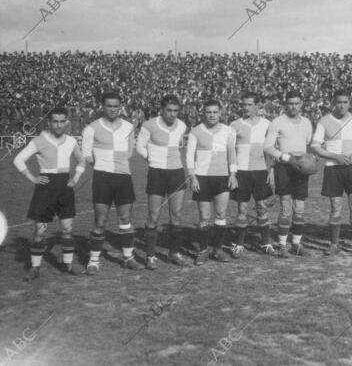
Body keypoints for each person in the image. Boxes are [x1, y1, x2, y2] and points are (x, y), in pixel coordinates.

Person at [14, 107, 86, 281]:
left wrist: (76, 178)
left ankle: (67, 265)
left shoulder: (71, 141)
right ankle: (35, 267)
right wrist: (32, 177)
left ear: (66, 122)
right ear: (49, 122)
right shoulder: (39, 140)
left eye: (62, 121)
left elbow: (82, 160)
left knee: (67, 229)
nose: (59, 125)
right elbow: (18, 159)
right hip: (45, 186)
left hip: (65, 186)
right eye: (55, 121)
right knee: (40, 230)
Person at [82, 92, 140, 273]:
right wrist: (102, 165)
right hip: (102, 178)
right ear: (102, 106)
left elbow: (130, 151)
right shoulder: (91, 128)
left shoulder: (129, 127)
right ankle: (94, 260)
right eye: (109, 106)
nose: (113, 109)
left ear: (120, 106)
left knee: (125, 219)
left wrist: (118, 164)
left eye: (116, 106)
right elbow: (86, 155)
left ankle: (128, 257)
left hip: (123, 177)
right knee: (100, 220)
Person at [135, 95, 191, 269]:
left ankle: (174, 253)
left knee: (177, 215)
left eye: (175, 110)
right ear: (161, 109)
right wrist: (150, 159)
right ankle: (150, 256)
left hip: (176, 173)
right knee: (153, 215)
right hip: (157, 173)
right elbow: (139, 147)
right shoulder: (149, 125)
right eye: (169, 110)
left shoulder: (182, 125)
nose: (172, 114)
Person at [311, 90, 352, 256]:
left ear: (350, 103)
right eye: (339, 102)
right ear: (333, 103)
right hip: (332, 168)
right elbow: (315, 146)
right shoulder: (324, 121)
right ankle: (334, 244)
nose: (342, 105)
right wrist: (336, 156)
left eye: (345, 102)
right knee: (336, 206)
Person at [186, 99, 238, 264]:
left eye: (215, 112)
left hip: (223, 176)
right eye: (209, 112)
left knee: (221, 214)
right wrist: (192, 176)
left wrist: (233, 174)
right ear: (204, 113)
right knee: (204, 216)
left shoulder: (229, 131)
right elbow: (189, 155)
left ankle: (217, 249)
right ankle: (202, 251)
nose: (212, 115)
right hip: (202, 178)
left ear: (220, 113)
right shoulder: (195, 131)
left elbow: (232, 154)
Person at [264, 91, 313, 257]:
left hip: (300, 169)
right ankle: (282, 245)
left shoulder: (306, 122)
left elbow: (307, 145)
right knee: (286, 208)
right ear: (286, 104)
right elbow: (268, 147)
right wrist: (286, 157)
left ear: (301, 104)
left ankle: (296, 245)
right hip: (284, 167)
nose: (294, 106)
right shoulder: (277, 122)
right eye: (290, 103)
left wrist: (311, 159)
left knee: (299, 208)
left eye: (297, 103)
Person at [229, 93, 275, 258]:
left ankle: (266, 243)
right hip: (242, 172)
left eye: (249, 104)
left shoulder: (267, 124)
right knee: (242, 208)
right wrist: (232, 173)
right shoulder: (234, 125)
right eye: (244, 104)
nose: (245, 107)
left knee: (262, 208)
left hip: (261, 171)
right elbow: (230, 151)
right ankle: (239, 244)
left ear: (257, 106)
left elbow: (271, 150)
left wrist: (271, 170)